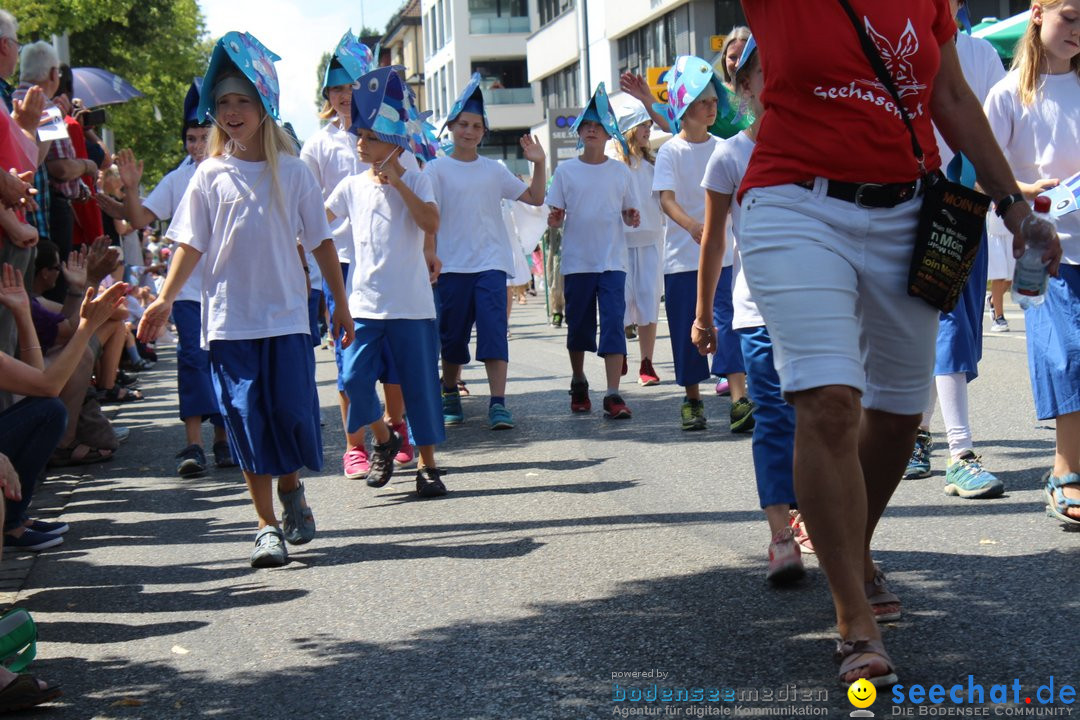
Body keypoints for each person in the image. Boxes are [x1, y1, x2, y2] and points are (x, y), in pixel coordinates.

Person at [726, 0, 1061, 687]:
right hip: (794, 202)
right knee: (828, 401)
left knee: (900, 414)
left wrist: (1015, 205)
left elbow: (950, 96)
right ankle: (854, 614)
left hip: (911, 209)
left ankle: (849, 544)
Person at [138, 32, 353, 568]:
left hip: (286, 317)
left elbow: (321, 243)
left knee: (289, 415)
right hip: (231, 322)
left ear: (264, 107)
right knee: (247, 420)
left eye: (243, 101)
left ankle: (290, 487)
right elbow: (190, 245)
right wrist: (165, 299)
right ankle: (265, 526)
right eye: (224, 103)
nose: (232, 112)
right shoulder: (208, 176)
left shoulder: (295, 172)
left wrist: (340, 303)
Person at [698, 36, 807, 584]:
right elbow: (714, 242)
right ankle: (780, 536)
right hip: (755, 313)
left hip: (816, 310)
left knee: (824, 420)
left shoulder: (816, 146)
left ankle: (820, 517)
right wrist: (701, 314)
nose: (779, 83)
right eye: (767, 75)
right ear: (744, 87)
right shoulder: (729, 155)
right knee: (773, 421)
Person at [903, 0, 1008, 499]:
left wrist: (1003, 196)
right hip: (908, 201)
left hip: (963, 206)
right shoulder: (899, 37)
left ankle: (917, 437)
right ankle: (959, 452)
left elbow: (989, 128)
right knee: (938, 323)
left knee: (950, 326)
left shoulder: (981, 53)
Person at [300, 32, 416, 479]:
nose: (344, 96)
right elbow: (306, 207)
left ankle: (396, 426)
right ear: (327, 96)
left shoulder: (388, 131)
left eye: (351, 88)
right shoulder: (319, 143)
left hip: (386, 258)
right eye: (336, 89)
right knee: (349, 358)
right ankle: (355, 446)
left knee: (390, 357)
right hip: (340, 261)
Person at [328, 66, 447, 497]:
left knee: (419, 387)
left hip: (412, 305)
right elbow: (317, 224)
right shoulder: (350, 186)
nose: (359, 143)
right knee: (354, 381)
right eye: (358, 135)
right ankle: (383, 437)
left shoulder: (417, 177)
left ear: (392, 142)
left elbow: (430, 220)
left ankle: (428, 465)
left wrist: (398, 181)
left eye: (368, 137)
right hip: (363, 306)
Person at [106, 80, 236, 477]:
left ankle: (224, 440)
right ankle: (193, 445)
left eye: (203, 137)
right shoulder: (177, 179)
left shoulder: (233, 172)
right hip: (187, 291)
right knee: (193, 361)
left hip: (229, 290)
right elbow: (139, 218)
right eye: (190, 138)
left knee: (225, 363)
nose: (196, 146)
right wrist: (128, 189)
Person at [984, 0, 1080, 526]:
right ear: (1038, 13)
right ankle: (1065, 471)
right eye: (1071, 16)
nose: (1077, 31)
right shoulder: (1008, 92)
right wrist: (1023, 190)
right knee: (1066, 354)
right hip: (1043, 246)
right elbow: (981, 170)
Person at [425, 73, 547, 430]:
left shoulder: (494, 170)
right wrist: (429, 256)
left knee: (494, 333)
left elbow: (536, 198)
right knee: (453, 338)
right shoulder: (435, 169)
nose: (469, 131)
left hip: (491, 265)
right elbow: (429, 220)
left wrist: (538, 163)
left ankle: (498, 402)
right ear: (451, 126)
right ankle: (449, 389)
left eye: (477, 126)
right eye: (463, 124)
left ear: (484, 131)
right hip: (450, 268)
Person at [654, 55, 752, 433]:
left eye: (714, 101)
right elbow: (665, 199)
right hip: (681, 260)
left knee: (728, 324)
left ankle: (739, 398)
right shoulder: (670, 151)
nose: (712, 108)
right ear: (684, 106)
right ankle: (692, 399)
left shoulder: (722, 147)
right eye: (703, 102)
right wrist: (693, 226)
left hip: (723, 255)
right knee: (687, 329)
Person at [546, 83, 640, 419]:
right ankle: (579, 379)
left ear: (608, 133)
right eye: (587, 124)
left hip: (613, 261)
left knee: (613, 324)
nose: (591, 129)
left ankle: (613, 393)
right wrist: (555, 217)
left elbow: (631, 212)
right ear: (580, 131)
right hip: (578, 262)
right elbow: (554, 217)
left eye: (598, 125)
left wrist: (631, 215)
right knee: (579, 327)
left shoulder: (620, 171)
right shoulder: (566, 171)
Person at [610, 101, 663, 387]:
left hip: (651, 241)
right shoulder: (614, 167)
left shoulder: (654, 165)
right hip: (619, 244)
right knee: (620, 303)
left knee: (648, 300)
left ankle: (647, 362)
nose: (648, 129)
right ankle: (620, 354)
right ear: (629, 130)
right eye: (643, 124)